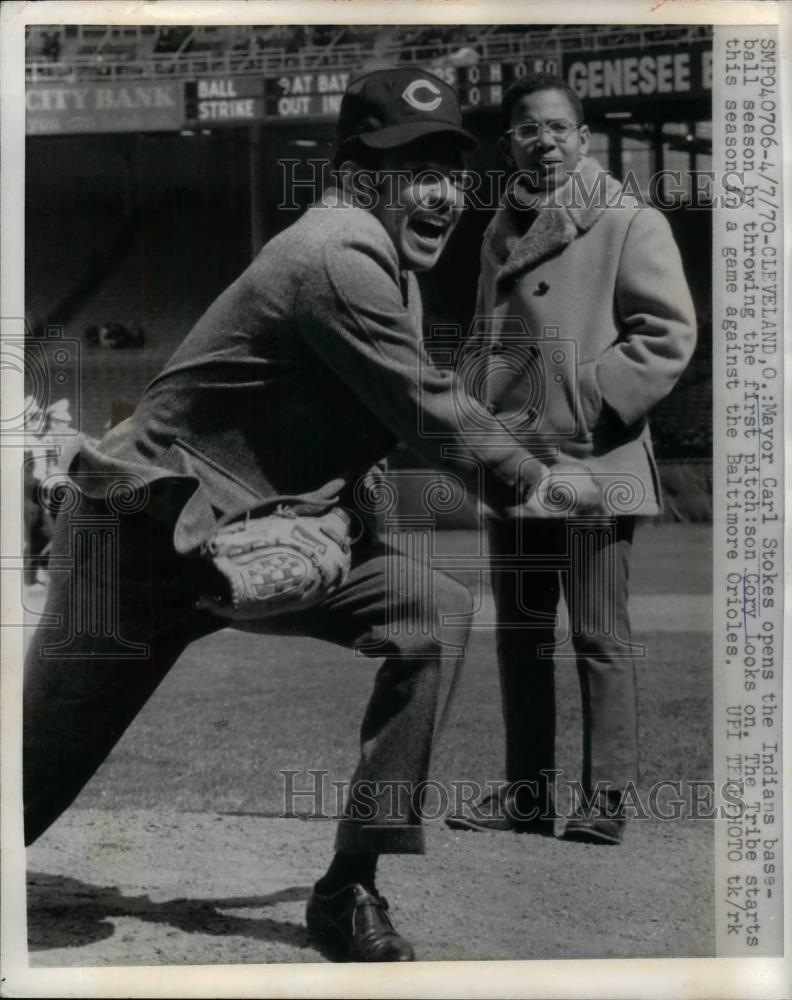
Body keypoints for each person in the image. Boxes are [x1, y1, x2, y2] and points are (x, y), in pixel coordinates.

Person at [23, 68, 596, 963]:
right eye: (412, 168)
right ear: (355, 174)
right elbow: (427, 408)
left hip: (251, 531)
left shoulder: (394, 274)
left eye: (450, 165)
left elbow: (364, 447)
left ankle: (349, 887)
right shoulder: (335, 251)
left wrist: (347, 534)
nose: (443, 190)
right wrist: (534, 477)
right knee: (25, 788)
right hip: (138, 540)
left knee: (428, 611)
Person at [446, 74, 696, 845]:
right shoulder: (499, 227)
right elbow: (489, 345)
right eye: (528, 130)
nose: (544, 142)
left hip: (593, 464)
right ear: (510, 142)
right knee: (522, 637)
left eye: (558, 128)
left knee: (597, 634)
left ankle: (607, 801)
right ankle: (526, 798)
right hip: (517, 467)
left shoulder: (627, 218)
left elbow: (667, 336)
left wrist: (575, 401)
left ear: (582, 139)